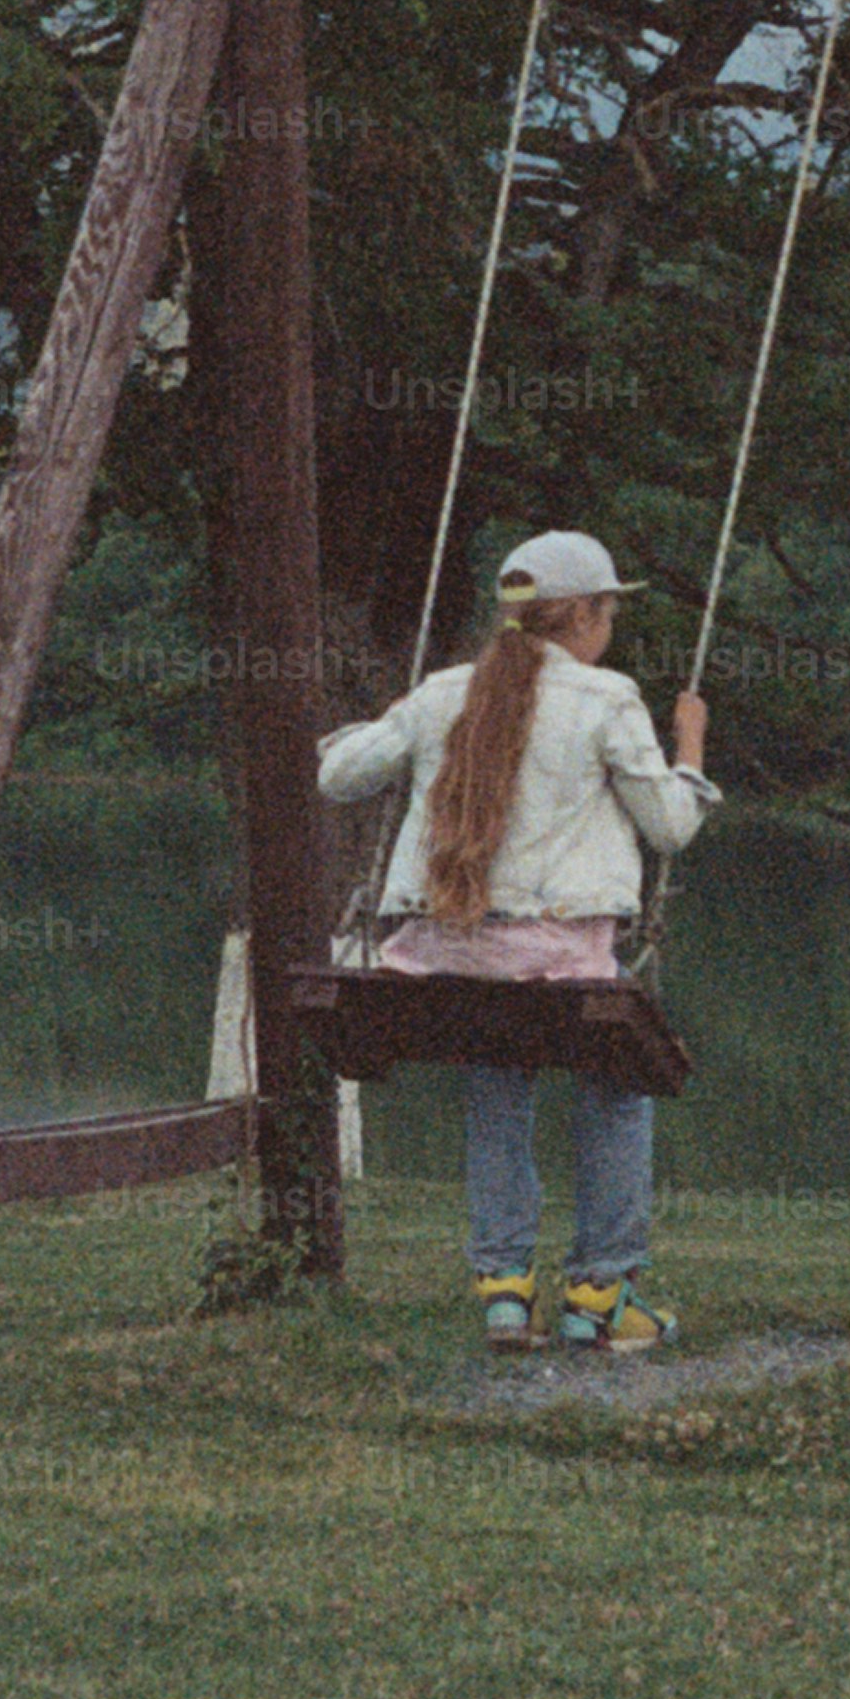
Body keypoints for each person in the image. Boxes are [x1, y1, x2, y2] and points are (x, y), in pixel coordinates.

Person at [317, 527, 712, 1356]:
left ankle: (504, 1290)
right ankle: (599, 1293)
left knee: (497, 1069)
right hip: (556, 962)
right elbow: (670, 828)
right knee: (620, 1080)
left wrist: (396, 725)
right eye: (609, 612)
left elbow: (338, 775)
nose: (611, 627)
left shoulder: (443, 691)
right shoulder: (608, 699)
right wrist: (690, 748)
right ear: (586, 615)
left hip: (442, 957)